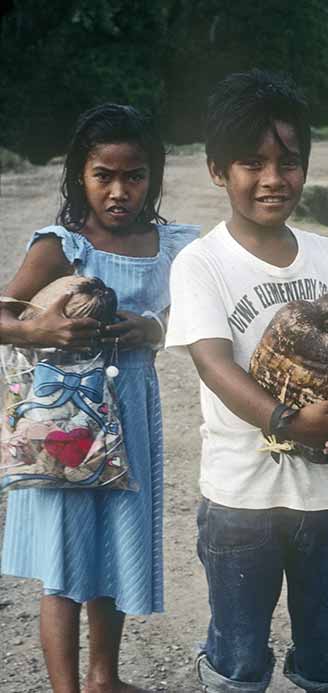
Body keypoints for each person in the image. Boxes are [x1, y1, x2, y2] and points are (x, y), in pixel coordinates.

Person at [165, 69, 328, 693]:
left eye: (288, 162)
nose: (272, 178)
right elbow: (213, 363)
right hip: (242, 501)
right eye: (250, 162)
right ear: (217, 171)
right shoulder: (202, 262)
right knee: (238, 661)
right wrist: (288, 423)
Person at [0, 103, 198, 693]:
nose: (118, 191)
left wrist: (154, 330)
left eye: (133, 176)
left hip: (131, 417)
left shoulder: (170, 246)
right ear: (78, 178)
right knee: (64, 562)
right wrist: (37, 331)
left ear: (152, 177)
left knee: (113, 547)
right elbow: (5, 312)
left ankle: (102, 678)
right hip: (64, 420)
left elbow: (187, 319)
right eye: (102, 176)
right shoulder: (61, 246)